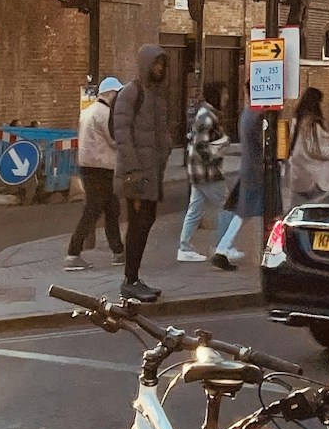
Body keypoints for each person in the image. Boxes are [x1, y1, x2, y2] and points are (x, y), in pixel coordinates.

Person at [110, 45, 173, 301]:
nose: (159, 68)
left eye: (162, 64)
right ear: (145, 64)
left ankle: (134, 277)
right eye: (155, 64)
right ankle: (130, 280)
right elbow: (122, 137)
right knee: (138, 226)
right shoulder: (130, 93)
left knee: (145, 224)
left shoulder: (156, 94)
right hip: (137, 176)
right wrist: (135, 173)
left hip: (151, 174)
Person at [66, 77, 125, 269]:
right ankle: (73, 253)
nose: (118, 96)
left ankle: (118, 251)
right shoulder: (105, 113)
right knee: (93, 210)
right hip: (101, 165)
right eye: (116, 93)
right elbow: (113, 139)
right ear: (109, 93)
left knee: (111, 208)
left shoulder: (87, 111)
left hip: (88, 163)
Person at [178, 83, 233, 268]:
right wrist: (219, 149)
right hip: (207, 172)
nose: (226, 97)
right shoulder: (207, 116)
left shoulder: (208, 114)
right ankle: (223, 248)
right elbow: (202, 146)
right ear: (216, 95)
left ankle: (184, 248)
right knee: (228, 205)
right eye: (224, 93)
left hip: (198, 172)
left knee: (195, 208)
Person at [216, 93, 266, 263]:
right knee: (246, 211)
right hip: (256, 170)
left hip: (249, 167)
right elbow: (262, 143)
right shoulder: (258, 116)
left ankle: (224, 246)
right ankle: (223, 247)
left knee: (244, 211)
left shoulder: (246, 114)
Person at [286, 85, 329, 204]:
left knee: (298, 209)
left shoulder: (297, 120)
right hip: (314, 178)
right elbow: (314, 150)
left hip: (298, 174)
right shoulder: (311, 124)